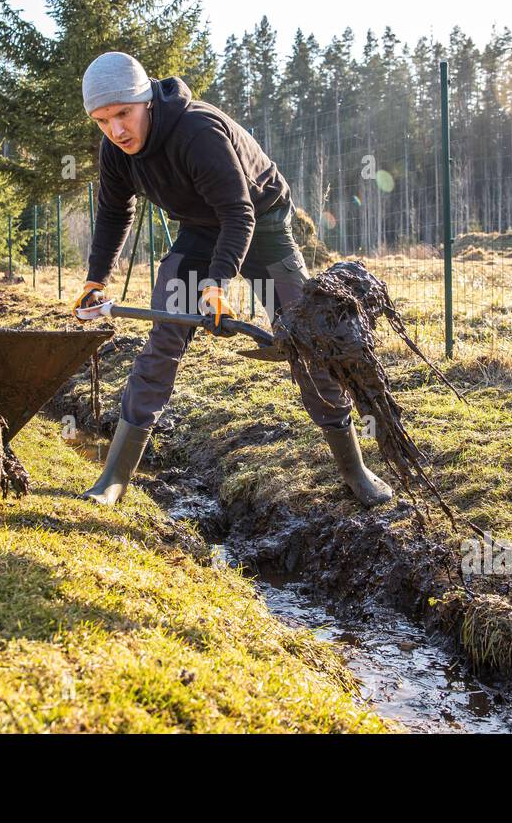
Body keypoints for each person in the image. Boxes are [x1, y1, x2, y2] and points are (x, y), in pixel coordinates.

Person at [72, 51, 393, 509]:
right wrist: (95, 279)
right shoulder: (116, 153)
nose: (117, 130)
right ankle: (114, 479)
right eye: (103, 121)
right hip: (200, 230)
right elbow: (112, 212)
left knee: (307, 340)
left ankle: (355, 470)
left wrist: (217, 282)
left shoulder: (196, 131)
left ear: (145, 100)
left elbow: (237, 213)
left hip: (260, 223)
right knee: (165, 337)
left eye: (123, 113)